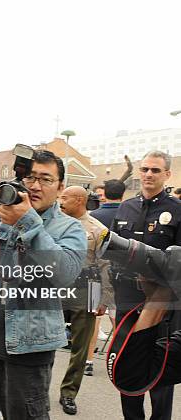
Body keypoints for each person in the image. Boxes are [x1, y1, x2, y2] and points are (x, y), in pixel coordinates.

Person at [0, 150, 87, 420]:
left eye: (46, 179)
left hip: (29, 348)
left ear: (60, 187)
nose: (36, 185)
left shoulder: (70, 229)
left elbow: (63, 273)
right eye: (30, 177)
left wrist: (27, 222)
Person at [110, 150, 181, 420]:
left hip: (163, 302)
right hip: (127, 299)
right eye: (144, 169)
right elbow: (113, 253)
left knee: (161, 370)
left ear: (166, 174)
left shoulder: (177, 210)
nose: (148, 174)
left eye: (154, 170)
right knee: (127, 363)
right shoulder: (125, 207)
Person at [58, 186, 113, 415]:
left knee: (80, 346)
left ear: (79, 200)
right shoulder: (54, 223)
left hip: (86, 288)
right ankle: (38, 386)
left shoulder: (98, 230)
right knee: (45, 338)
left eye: (65, 197)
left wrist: (104, 299)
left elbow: (105, 265)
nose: (60, 201)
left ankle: (69, 393)